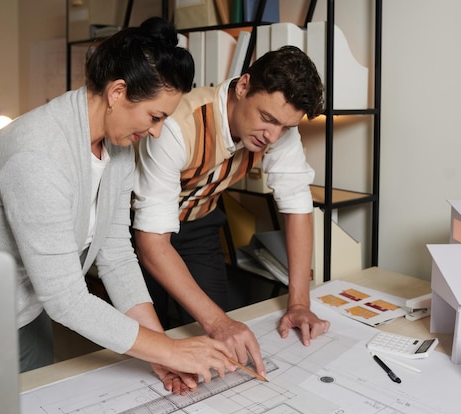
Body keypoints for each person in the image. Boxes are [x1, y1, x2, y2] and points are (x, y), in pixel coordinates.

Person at [0, 17, 236, 393]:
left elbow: (115, 255)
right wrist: (171, 350)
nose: (157, 131)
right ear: (117, 93)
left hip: (24, 308)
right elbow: (66, 298)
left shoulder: (119, 145)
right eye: (155, 116)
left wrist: (160, 351)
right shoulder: (37, 156)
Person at [132, 45, 331, 378]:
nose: (273, 136)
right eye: (267, 119)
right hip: (137, 229)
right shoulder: (178, 125)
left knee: (212, 336)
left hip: (197, 223)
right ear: (243, 87)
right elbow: (152, 242)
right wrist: (218, 321)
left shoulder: (278, 128)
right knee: (148, 345)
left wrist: (299, 303)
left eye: (284, 127)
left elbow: (297, 206)